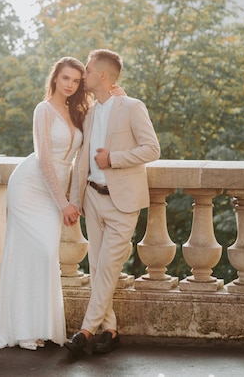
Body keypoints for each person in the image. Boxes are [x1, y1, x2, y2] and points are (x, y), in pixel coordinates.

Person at [0, 56, 89, 350]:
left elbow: (77, 159)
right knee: (32, 254)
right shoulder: (43, 109)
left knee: (45, 256)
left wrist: (70, 200)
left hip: (55, 193)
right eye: (66, 78)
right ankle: (22, 329)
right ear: (55, 78)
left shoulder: (76, 111)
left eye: (76, 81)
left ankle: (41, 326)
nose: (70, 85)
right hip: (30, 187)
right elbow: (43, 158)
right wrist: (62, 201)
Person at [64, 49, 160, 356]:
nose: (84, 75)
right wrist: (75, 200)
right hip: (92, 197)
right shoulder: (90, 111)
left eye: (88, 70)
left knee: (107, 266)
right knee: (96, 267)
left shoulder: (132, 106)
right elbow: (81, 161)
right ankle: (110, 330)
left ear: (102, 75)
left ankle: (85, 330)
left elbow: (152, 149)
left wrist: (113, 159)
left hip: (122, 202)